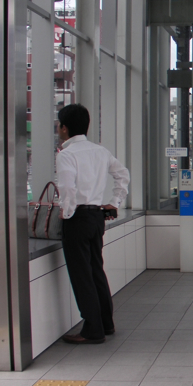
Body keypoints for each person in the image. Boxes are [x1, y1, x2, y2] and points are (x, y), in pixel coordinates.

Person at [56, 103, 130, 345]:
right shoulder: (100, 151)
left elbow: (67, 187)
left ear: (64, 128)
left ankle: (92, 329)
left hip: (77, 218)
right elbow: (123, 174)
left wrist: (67, 213)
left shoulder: (66, 154)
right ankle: (106, 323)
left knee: (81, 275)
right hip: (96, 217)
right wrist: (114, 202)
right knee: (96, 269)